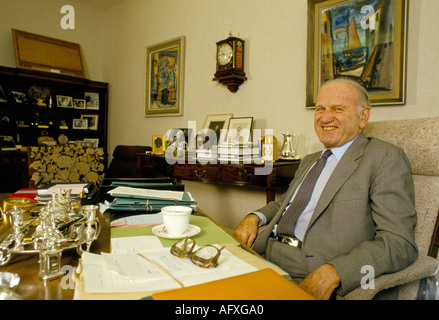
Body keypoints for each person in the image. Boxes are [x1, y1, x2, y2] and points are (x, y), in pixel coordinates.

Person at [233, 78, 418, 299]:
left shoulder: (384, 157)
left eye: (338, 109)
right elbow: (285, 205)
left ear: (363, 117)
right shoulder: (311, 159)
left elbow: (399, 243)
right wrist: (254, 218)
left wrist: (336, 271)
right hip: (264, 252)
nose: (325, 117)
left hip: (310, 268)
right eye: (320, 109)